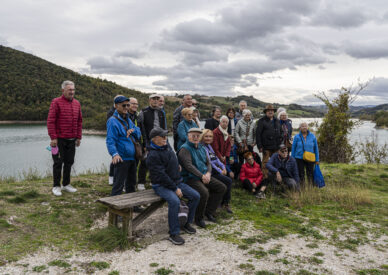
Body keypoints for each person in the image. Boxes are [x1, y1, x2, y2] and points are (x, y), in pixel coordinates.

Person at [147, 127, 200, 245]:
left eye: (166, 136)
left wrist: (177, 165)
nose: (166, 138)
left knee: (195, 196)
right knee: (175, 201)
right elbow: (161, 176)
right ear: (155, 139)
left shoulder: (165, 146)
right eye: (163, 137)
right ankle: (174, 233)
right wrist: (175, 189)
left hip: (176, 181)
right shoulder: (152, 155)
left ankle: (185, 223)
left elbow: (173, 156)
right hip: (161, 185)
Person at [178, 128, 226, 228]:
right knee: (204, 192)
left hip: (204, 175)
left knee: (221, 187)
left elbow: (208, 163)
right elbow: (188, 166)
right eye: (193, 135)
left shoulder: (201, 147)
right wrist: (202, 176)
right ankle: (198, 218)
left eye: (198, 135)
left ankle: (208, 212)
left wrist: (208, 173)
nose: (196, 137)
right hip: (190, 178)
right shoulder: (184, 149)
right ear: (188, 136)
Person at [47, 80, 82, 196]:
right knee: (58, 163)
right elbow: (50, 121)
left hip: (72, 140)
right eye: (69, 90)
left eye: (73, 90)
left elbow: (79, 121)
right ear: (63, 90)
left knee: (69, 162)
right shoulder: (56, 102)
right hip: (59, 140)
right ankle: (56, 186)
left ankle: (66, 184)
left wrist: (78, 137)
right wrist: (53, 138)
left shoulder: (77, 103)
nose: (72, 92)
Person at [106, 96, 142, 202]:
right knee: (118, 186)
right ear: (116, 106)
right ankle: (115, 211)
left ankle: (132, 206)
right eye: (124, 105)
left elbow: (138, 133)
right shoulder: (112, 121)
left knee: (131, 184)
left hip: (132, 157)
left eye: (128, 105)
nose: (126, 107)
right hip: (121, 158)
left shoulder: (128, 119)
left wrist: (133, 131)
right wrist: (114, 154)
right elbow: (110, 140)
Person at [138, 94, 167, 187]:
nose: (155, 101)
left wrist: (164, 140)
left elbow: (164, 127)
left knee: (158, 161)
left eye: (157, 99)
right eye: (153, 99)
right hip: (148, 141)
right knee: (145, 161)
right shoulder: (143, 112)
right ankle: (141, 182)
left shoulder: (161, 112)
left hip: (159, 140)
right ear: (149, 100)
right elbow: (141, 129)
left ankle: (153, 180)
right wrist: (145, 143)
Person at [201, 129, 233, 214]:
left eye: (210, 136)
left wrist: (224, 167)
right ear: (202, 137)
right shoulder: (203, 147)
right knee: (228, 181)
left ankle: (223, 203)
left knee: (228, 179)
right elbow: (210, 162)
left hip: (216, 170)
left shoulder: (209, 146)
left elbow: (216, 159)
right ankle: (224, 203)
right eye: (206, 136)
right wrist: (220, 171)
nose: (208, 138)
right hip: (210, 172)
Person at [256, 104, 282, 181]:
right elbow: (258, 134)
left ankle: (276, 178)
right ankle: (265, 179)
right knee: (265, 163)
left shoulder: (277, 120)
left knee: (276, 162)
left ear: (273, 112)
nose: (270, 112)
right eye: (268, 111)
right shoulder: (261, 121)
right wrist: (259, 146)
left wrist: (280, 142)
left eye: (272, 111)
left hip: (276, 146)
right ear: (266, 112)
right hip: (266, 146)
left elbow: (280, 131)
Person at [106, 95, 124, 186]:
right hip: (115, 139)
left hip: (121, 139)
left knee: (118, 159)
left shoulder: (123, 112)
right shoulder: (111, 112)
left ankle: (115, 178)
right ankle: (111, 177)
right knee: (114, 158)